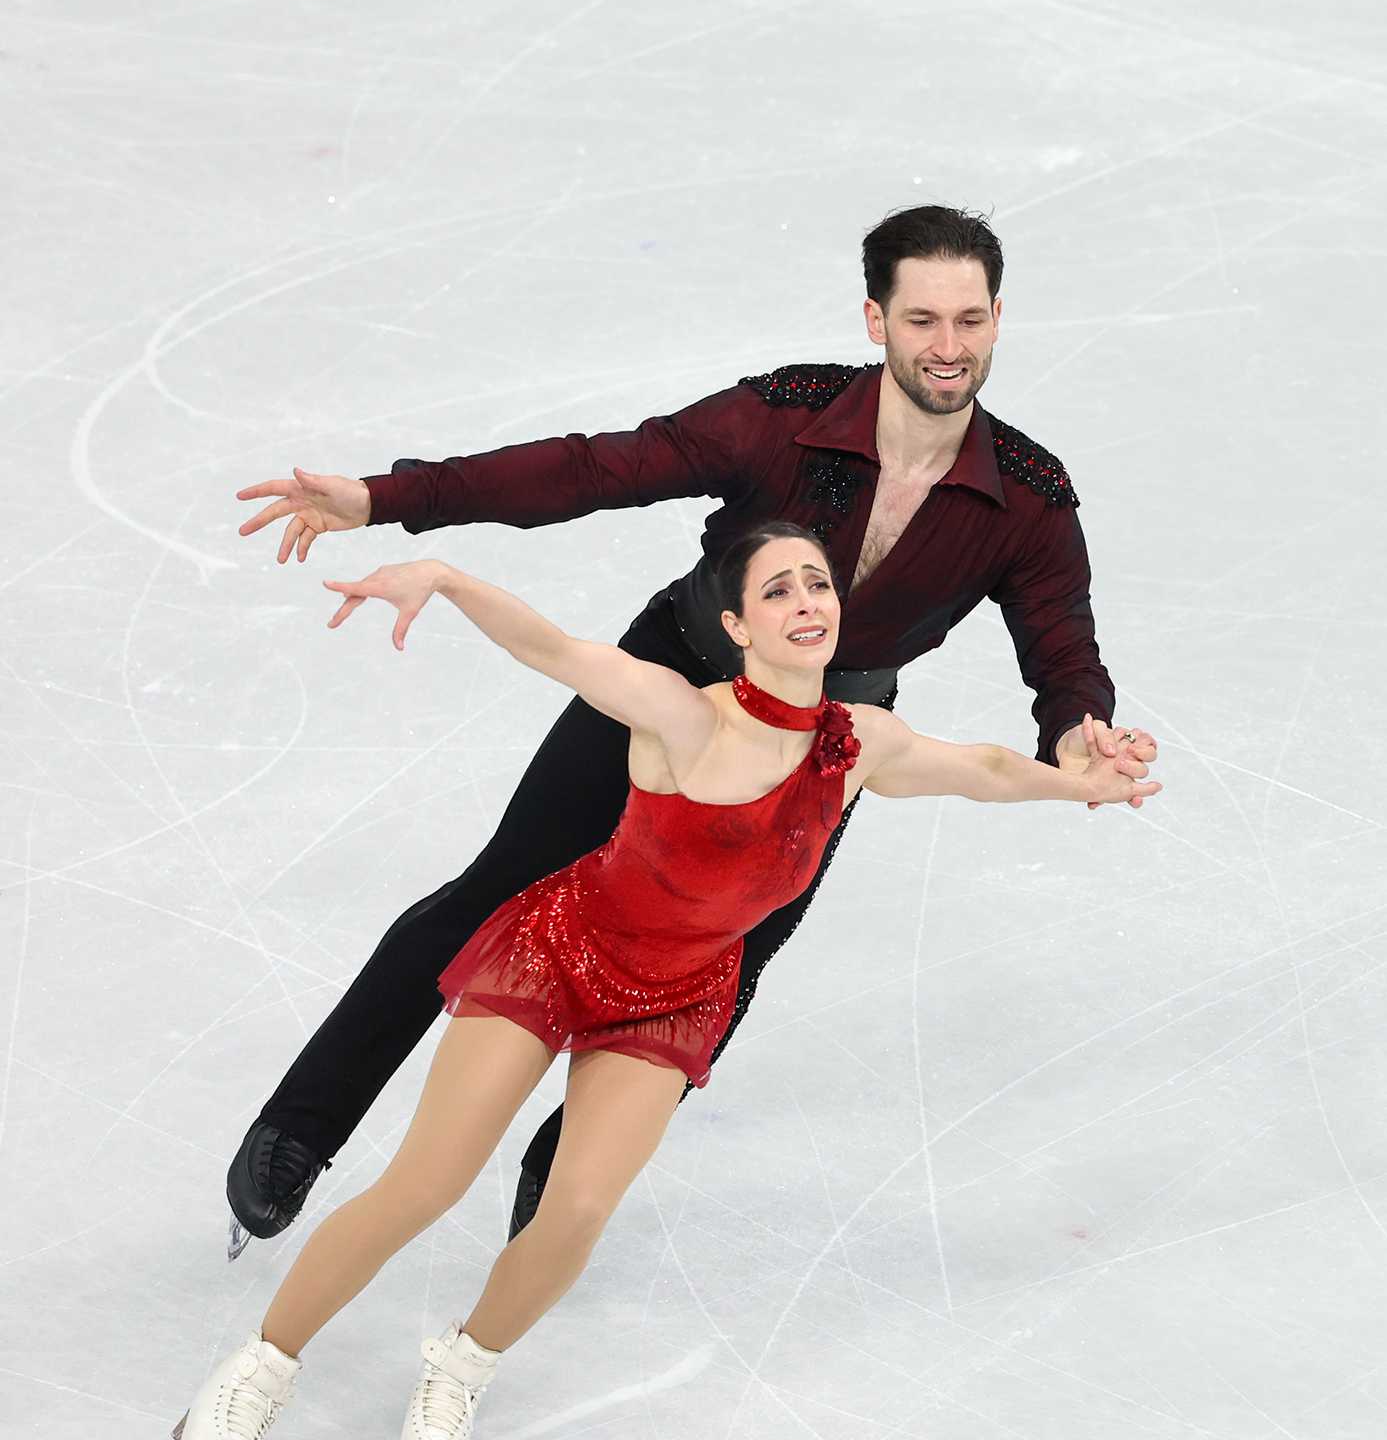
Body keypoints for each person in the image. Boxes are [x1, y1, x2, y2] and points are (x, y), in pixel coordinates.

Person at [157, 526, 1159, 1440]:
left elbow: (981, 766)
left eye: (817, 582)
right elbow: (556, 649)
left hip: (676, 994)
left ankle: (462, 1366)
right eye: (777, 590)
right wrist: (447, 577)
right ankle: (259, 1368)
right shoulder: (684, 717)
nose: (807, 600)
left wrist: (1078, 781)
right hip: (559, 953)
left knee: (579, 1208)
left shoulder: (860, 745)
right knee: (429, 1179)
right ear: (736, 623)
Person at [225, 205, 1157, 1255]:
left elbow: (1061, 644)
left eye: (970, 319)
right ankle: (301, 1125)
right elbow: (595, 468)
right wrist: (387, 498)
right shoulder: (784, 413)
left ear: (998, 320)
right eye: (922, 318)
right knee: (502, 885)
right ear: (874, 319)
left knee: (727, 959)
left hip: (819, 736)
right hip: (669, 675)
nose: (948, 346)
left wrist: (1081, 732)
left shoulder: (1027, 495)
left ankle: (565, 1167)